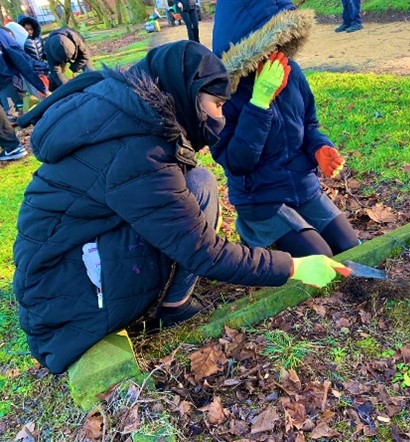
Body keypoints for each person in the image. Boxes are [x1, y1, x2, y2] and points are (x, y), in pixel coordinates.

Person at [14, 41, 349, 374]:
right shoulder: (139, 150)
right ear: (190, 93)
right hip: (65, 300)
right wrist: (292, 267)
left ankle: (173, 302)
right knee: (188, 218)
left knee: (198, 183)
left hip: (73, 258)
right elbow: (203, 250)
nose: (220, 116)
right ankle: (164, 307)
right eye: (217, 105)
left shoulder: (133, 119)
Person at [211, 0, 359, 258]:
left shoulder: (292, 71)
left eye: (280, 39)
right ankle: (253, 233)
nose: (275, 50)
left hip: (302, 188)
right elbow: (237, 162)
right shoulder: (223, 93)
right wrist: (259, 102)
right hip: (261, 199)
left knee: (350, 247)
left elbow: (309, 124)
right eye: (268, 42)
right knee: (321, 256)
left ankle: (298, 227)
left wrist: (320, 148)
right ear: (248, 44)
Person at [0, 26, 48, 124]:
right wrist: (42, 87)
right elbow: (22, 62)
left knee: (15, 112)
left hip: (7, 81)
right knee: (16, 113)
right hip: (5, 81)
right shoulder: (2, 35)